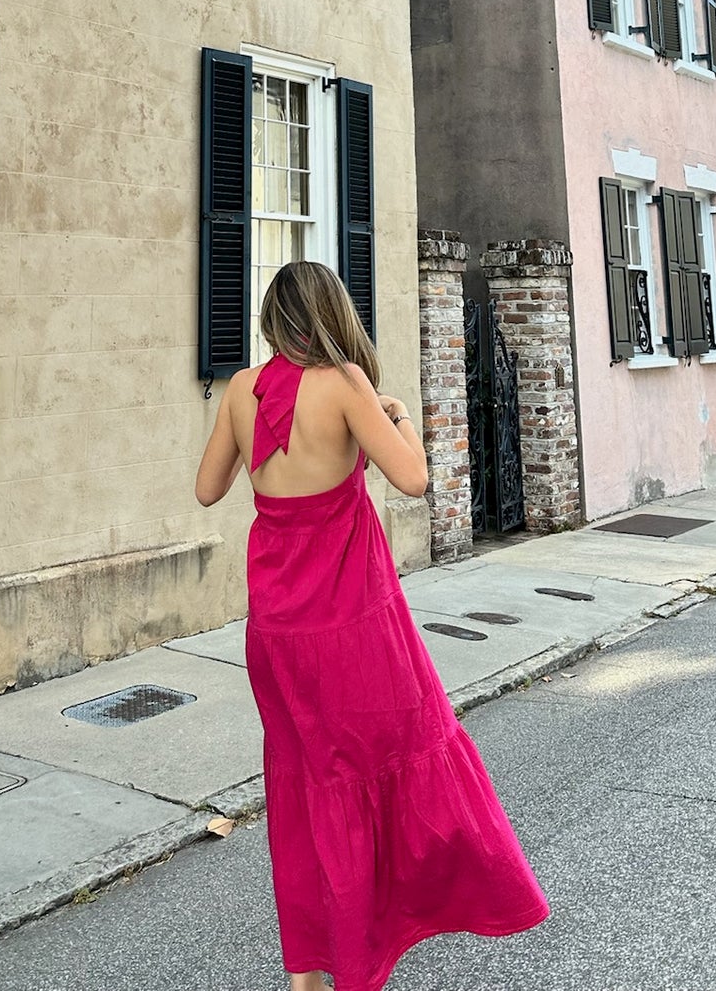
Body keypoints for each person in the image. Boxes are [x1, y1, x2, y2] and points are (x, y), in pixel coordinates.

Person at [195, 260, 548, 991]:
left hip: (275, 632)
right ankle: (366, 957)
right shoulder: (347, 383)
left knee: (305, 786)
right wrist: (399, 419)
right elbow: (414, 479)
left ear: (271, 318)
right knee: (382, 765)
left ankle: (307, 975)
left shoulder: (239, 389)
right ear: (331, 313)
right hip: (350, 621)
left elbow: (207, 489)